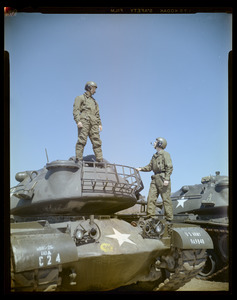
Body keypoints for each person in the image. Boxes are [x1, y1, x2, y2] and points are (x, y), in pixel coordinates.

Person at [136, 137, 173, 221]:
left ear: (160, 143)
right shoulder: (154, 156)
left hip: (163, 178)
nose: (154, 143)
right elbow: (150, 167)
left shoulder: (165, 154)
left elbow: (169, 167)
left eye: (156, 141)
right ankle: (150, 216)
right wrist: (140, 168)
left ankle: (169, 218)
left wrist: (167, 179)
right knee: (151, 198)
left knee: (166, 198)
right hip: (155, 178)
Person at [73, 81, 103, 162]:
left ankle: (100, 160)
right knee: (82, 140)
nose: (95, 90)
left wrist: (100, 124)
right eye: (94, 88)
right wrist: (78, 121)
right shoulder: (80, 98)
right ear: (89, 87)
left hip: (94, 123)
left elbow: (97, 114)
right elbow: (76, 110)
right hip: (84, 121)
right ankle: (79, 159)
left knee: (97, 142)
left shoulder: (95, 102)